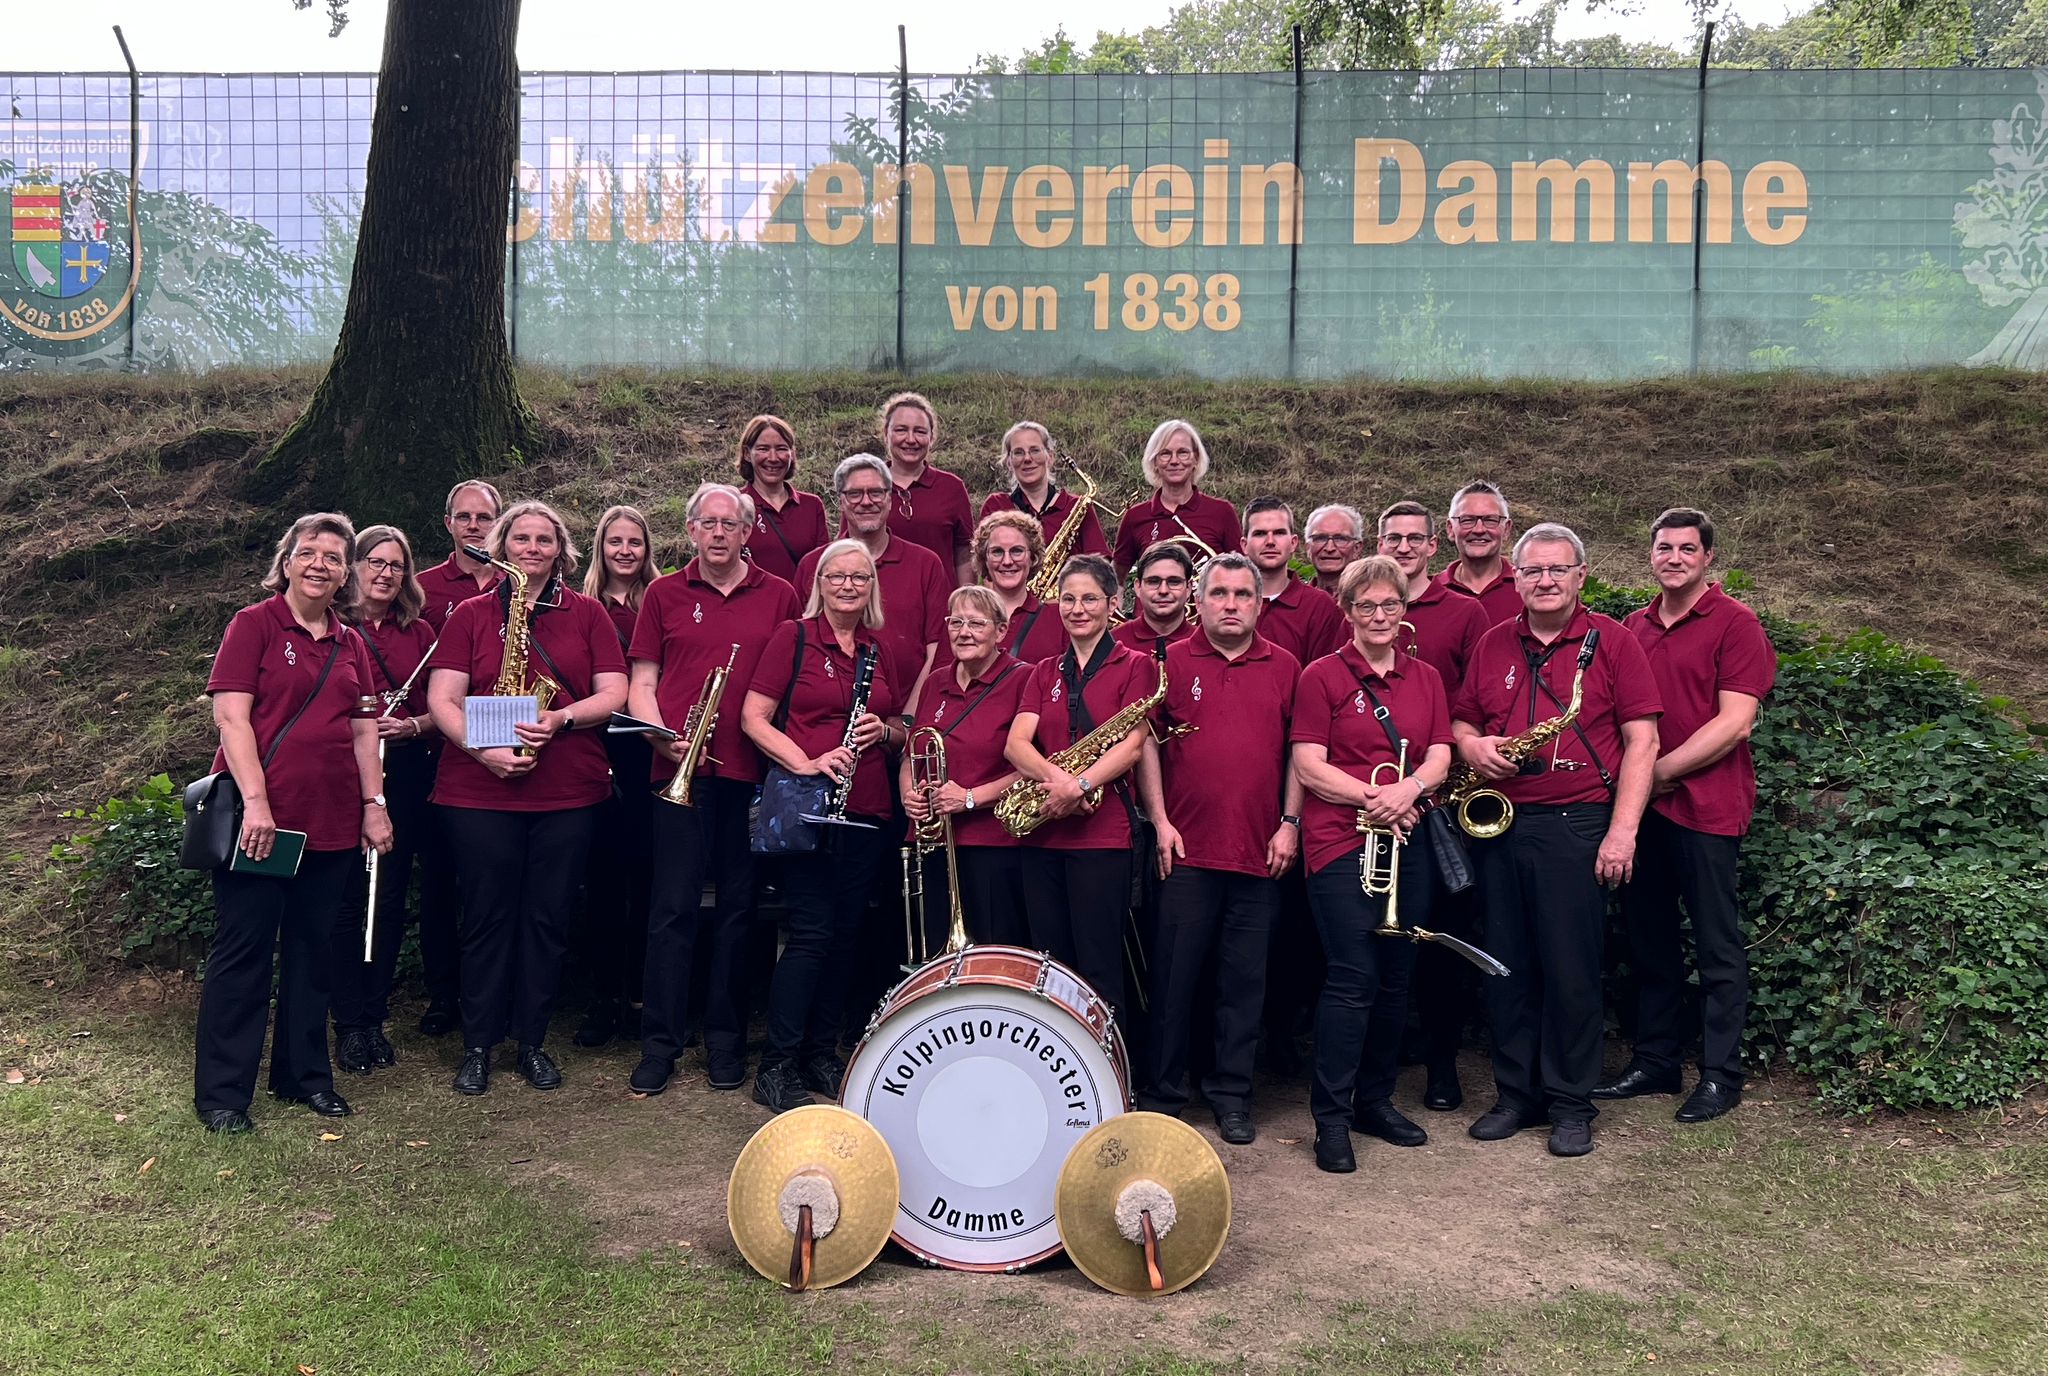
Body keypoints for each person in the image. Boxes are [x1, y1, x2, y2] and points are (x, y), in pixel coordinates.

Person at [1452, 522, 1661, 1158]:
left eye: (1557, 570)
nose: (1544, 581)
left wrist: (1622, 833)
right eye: (1532, 571)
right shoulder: (1493, 642)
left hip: (1578, 825)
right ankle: (1517, 1095)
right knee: (1506, 966)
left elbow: (1642, 742)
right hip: (1502, 823)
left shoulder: (1615, 642)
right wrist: (1474, 745)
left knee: (1572, 969)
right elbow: (1462, 718)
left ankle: (1571, 1102)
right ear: (1515, 578)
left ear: (1580, 577)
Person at [195, 513, 393, 1133]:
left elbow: (364, 732)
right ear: (287, 562)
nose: (320, 564)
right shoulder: (253, 625)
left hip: (332, 824)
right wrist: (256, 803)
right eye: (309, 553)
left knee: (314, 954)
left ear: (345, 576)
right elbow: (232, 720)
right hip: (264, 824)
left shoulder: (351, 642)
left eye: (334, 558)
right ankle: (224, 1096)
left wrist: (374, 803)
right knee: (245, 954)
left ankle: (303, 1077)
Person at [426, 501, 628, 1096]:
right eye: (521, 539)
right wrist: (482, 751)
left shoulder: (587, 614)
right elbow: (443, 700)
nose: (532, 549)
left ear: (560, 550)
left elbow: (613, 691)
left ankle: (532, 1041)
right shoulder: (469, 613)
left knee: (547, 918)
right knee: (486, 918)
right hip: (477, 791)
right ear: (501, 546)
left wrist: (562, 717)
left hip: (566, 790)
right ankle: (479, 1044)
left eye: (545, 540)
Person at [1596, 508, 1775, 1124]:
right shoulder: (1632, 627)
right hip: (1642, 813)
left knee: (1716, 947)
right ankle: (1656, 1061)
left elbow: (1735, 723)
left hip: (1706, 808)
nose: (1674, 558)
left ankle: (1722, 1075)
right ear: (1651, 556)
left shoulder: (1735, 623)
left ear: (1708, 559)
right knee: (1649, 941)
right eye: (1663, 548)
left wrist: (1656, 774)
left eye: (1686, 549)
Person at [626, 484, 801, 1096]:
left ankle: (724, 1042)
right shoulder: (664, 593)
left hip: (749, 776)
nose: (720, 532)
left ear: (748, 531)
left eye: (731, 523)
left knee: (737, 910)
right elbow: (642, 680)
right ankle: (660, 1045)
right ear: (692, 530)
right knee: (671, 910)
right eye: (708, 523)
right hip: (679, 775)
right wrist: (656, 735)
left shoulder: (780, 595)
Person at [1290, 555, 1454, 1174]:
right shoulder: (1322, 677)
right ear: (1348, 611)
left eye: (1390, 605)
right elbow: (1308, 764)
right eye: (1366, 606)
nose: (1379, 616)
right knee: (1353, 976)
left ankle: (1375, 1102)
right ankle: (1330, 1120)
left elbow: (1439, 753)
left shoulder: (1428, 678)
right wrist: (1375, 797)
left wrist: (1408, 792)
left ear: (1404, 610)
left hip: (1407, 838)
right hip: (1338, 842)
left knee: (1395, 978)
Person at [1136, 553, 1300, 1146]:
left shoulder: (1286, 666)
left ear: (1259, 604)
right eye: (1219, 594)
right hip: (1184, 851)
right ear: (1196, 603)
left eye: (1242, 595)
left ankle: (1232, 1095)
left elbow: (1301, 752)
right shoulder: (1170, 663)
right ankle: (1164, 1094)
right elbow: (1146, 745)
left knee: (1242, 983)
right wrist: (1159, 819)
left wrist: (1290, 823)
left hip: (1260, 852)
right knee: (1174, 981)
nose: (1230, 604)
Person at [742, 539, 905, 1113]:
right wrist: (805, 760)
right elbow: (753, 717)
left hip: (866, 808)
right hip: (810, 805)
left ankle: (819, 1052)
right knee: (811, 933)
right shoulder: (793, 636)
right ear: (820, 582)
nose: (848, 586)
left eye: (860, 578)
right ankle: (778, 1062)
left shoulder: (878, 649)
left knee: (846, 934)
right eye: (837, 576)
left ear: (871, 588)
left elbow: (901, 725)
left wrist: (884, 733)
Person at [1377, 498, 1492, 1110]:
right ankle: (1385, 1068)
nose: (1403, 546)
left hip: (1439, 799)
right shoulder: (1365, 604)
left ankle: (1443, 1066)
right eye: (1392, 537)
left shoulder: (1464, 612)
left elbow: (1471, 703)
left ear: (1433, 545)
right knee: (1382, 940)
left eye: (1413, 538)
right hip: (1376, 801)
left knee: (1439, 940)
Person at [1005, 554, 1155, 1013]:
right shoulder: (1043, 670)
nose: (1078, 608)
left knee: (1099, 964)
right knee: (1049, 964)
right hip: (1044, 831)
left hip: (1103, 838)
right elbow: (1016, 745)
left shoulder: (1137, 666)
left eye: (1090, 598)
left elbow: (1132, 747)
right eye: (1068, 599)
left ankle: (1109, 1080)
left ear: (1114, 603)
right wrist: (1062, 783)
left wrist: (1081, 785)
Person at [329, 523, 438, 1080]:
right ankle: (347, 1022)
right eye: (375, 562)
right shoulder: (332, 627)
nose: (385, 573)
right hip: (341, 780)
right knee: (350, 901)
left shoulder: (420, 635)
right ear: (354, 565)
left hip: (406, 778)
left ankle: (375, 1017)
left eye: (396, 565)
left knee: (388, 899)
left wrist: (413, 724)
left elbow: (444, 708)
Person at [410, 478, 505, 1036]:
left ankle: (491, 993)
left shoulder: (521, 584)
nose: (474, 525)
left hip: (508, 746)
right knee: (441, 880)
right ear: (448, 523)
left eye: (485, 516)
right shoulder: (424, 589)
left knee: (489, 885)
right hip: (437, 750)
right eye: (464, 517)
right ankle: (445, 995)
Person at [900, 585, 1032, 950]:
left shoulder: (1024, 679)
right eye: (956, 622)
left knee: (993, 950)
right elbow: (913, 752)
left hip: (992, 844)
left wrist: (971, 798)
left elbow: (1039, 767)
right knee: (933, 949)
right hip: (932, 840)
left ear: (1001, 631)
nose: (964, 632)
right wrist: (908, 794)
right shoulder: (935, 681)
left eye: (976, 623)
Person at [573, 504, 658, 1049]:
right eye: (615, 542)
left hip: (649, 751)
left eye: (635, 542)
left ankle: (642, 997)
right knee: (602, 884)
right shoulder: (582, 608)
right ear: (601, 549)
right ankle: (601, 999)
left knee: (649, 880)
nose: (625, 551)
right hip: (595, 748)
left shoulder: (663, 601)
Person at [797, 454, 948, 704]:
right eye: (855, 494)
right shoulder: (813, 565)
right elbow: (800, 646)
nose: (866, 502)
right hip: (830, 718)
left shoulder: (926, 564)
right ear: (841, 502)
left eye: (876, 493)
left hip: (909, 716)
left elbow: (938, 650)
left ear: (890, 499)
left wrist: (908, 720)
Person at [1112, 419, 1243, 575]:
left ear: (1195, 459)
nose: (1174, 461)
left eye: (1183, 453)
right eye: (1165, 454)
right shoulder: (1135, 517)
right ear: (1154, 462)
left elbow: (1241, 573)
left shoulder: (1222, 512)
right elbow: (1115, 581)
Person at [877, 391, 975, 585]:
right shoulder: (868, 486)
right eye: (901, 430)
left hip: (939, 604)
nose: (911, 439)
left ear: (932, 437)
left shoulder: (952, 488)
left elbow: (964, 552)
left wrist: (966, 598)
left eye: (920, 431)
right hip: (878, 605)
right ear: (885, 434)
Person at [978, 420, 1108, 559]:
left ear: (1050, 457)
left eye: (1035, 450)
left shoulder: (1078, 507)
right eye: (1018, 453)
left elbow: (1101, 568)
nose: (1027, 458)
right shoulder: (996, 506)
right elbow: (985, 568)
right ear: (1009, 462)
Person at [1243, 496, 1346, 667]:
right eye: (1260, 533)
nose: (1270, 542)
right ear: (1244, 545)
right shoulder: (1226, 602)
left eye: (1279, 533)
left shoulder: (1320, 606)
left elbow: (1326, 677)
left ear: (1293, 543)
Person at [737, 414, 830, 587]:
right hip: (757, 609)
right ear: (747, 454)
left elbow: (823, 566)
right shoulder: (735, 507)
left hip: (804, 610)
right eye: (763, 449)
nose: (773, 458)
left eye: (781, 449)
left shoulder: (812, 506)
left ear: (792, 454)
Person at [972, 509, 1067, 665]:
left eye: (1017, 551)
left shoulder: (1058, 618)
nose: (1007, 561)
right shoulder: (965, 617)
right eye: (997, 552)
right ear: (985, 559)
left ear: (1032, 558)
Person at [1431, 480, 1522, 625]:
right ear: (1450, 529)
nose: (1479, 530)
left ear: (1506, 529)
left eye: (1490, 520)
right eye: (1467, 520)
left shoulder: (1527, 588)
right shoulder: (1431, 591)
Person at [1112, 541, 1198, 659]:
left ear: (1189, 588)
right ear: (1137, 587)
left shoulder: (1208, 645)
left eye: (1174, 582)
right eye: (1153, 581)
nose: (1163, 590)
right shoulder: (1111, 644)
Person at [1304, 504, 1366, 601]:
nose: (1330, 548)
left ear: (1357, 548)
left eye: (1340, 539)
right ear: (1308, 547)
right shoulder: (1295, 601)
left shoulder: (1372, 600)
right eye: (1320, 538)